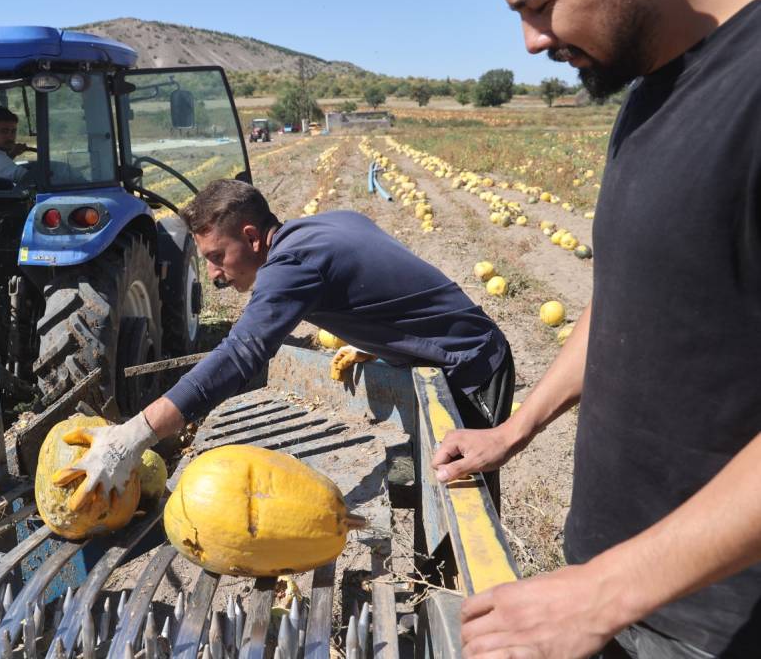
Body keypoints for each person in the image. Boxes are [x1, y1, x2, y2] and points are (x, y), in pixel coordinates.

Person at [432, 0, 761, 657]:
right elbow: (627, 301)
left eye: (539, 3)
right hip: (615, 591)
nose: (532, 40)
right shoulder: (651, 92)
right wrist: (516, 429)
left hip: (719, 627)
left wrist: (604, 592)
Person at [50, 178, 515, 510]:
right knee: (426, 476)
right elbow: (384, 280)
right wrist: (376, 337)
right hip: (437, 357)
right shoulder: (323, 226)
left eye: (216, 257)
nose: (212, 275)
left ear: (251, 237)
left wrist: (134, 435)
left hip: (470, 365)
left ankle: (465, 600)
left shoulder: (291, 264)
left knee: (465, 505)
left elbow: (241, 353)